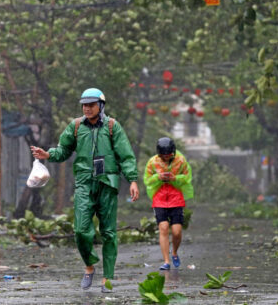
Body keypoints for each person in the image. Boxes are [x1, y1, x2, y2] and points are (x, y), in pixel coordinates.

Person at [30, 88, 139, 293]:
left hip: (107, 183)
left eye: (91, 104)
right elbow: (63, 151)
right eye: (84, 105)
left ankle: (107, 278)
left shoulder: (112, 126)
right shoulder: (76, 126)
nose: (87, 108)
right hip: (84, 184)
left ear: (101, 105)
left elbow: (126, 155)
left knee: (108, 233)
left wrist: (132, 180)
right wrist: (48, 154)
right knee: (80, 230)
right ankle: (89, 267)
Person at [143, 137, 193, 270]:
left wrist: (175, 178)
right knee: (163, 227)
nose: (166, 158)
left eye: (168, 155)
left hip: (176, 198)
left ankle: (174, 252)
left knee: (177, 232)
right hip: (159, 199)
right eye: (163, 156)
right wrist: (158, 177)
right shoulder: (152, 162)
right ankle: (166, 261)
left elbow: (187, 177)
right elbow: (147, 180)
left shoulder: (181, 161)